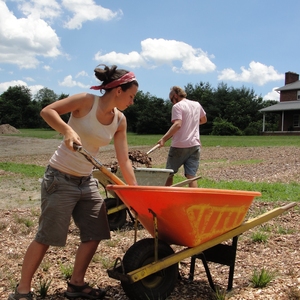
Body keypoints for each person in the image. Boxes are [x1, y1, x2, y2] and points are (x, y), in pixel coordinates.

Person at [8, 64, 138, 300]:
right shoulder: (86, 101)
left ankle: (76, 284)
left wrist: (136, 192)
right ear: (118, 90)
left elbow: (124, 160)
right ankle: (22, 290)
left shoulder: (120, 120)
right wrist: (67, 130)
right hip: (59, 177)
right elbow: (47, 111)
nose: (133, 101)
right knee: (47, 236)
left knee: (96, 230)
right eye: (131, 96)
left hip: (85, 180)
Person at [157, 86, 207, 187]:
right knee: (191, 176)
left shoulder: (177, 106)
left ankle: (166, 198)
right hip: (194, 145)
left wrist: (163, 139)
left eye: (172, 100)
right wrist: (190, 124)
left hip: (179, 146)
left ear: (175, 95)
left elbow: (177, 124)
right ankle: (193, 200)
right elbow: (203, 120)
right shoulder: (196, 104)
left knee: (169, 173)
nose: (172, 102)